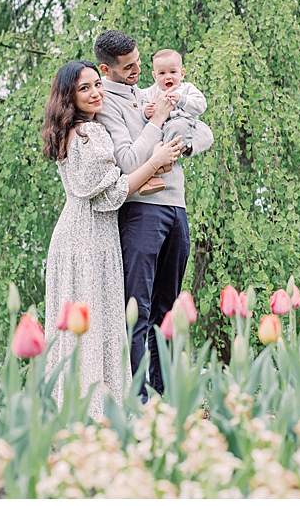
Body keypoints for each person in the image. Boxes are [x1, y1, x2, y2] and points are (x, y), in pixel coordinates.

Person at [41, 60, 182, 419]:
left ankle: (81, 405)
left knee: (91, 323)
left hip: (83, 234)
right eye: (84, 88)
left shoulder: (71, 131)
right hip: (87, 237)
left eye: (97, 85)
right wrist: (156, 161)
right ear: (69, 96)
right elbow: (106, 195)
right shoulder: (89, 133)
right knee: (96, 321)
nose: (95, 93)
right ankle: (98, 409)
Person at [93, 31, 214, 401]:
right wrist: (158, 121)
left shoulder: (148, 93)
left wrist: (185, 143)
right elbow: (128, 161)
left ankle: (166, 395)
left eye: (139, 63)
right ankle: (138, 398)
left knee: (168, 307)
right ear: (106, 69)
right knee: (137, 308)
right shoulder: (107, 105)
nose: (139, 71)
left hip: (176, 207)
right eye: (129, 67)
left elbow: (205, 131)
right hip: (142, 212)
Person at [138, 49, 211, 196]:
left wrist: (182, 100)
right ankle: (153, 174)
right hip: (160, 132)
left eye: (173, 72)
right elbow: (141, 108)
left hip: (182, 126)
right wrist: (147, 111)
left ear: (182, 73)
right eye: (162, 73)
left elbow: (201, 105)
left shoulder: (187, 89)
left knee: (178, 127)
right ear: (154, 76)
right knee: (153, 143)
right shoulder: (149, 92)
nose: (168, 77)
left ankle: (156, 171)